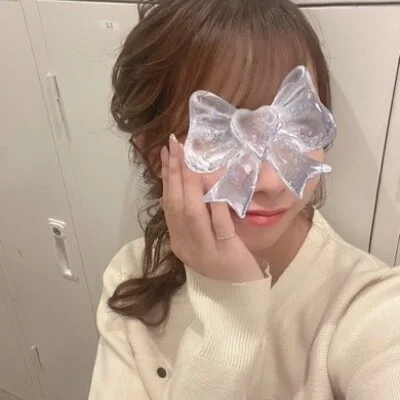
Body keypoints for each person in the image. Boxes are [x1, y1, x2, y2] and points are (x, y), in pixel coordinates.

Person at [88, 0, 400, 398]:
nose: (272, 183)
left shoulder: (363, 303)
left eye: (296, 127)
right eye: (222, 136)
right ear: (154, 152)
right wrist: (228, 317)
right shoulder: (132, 275)